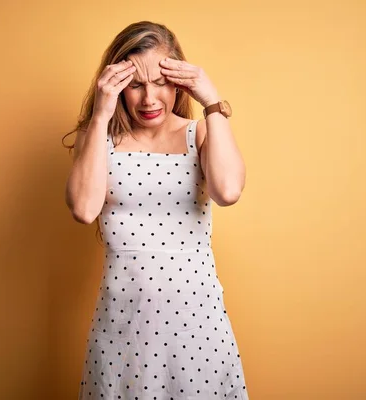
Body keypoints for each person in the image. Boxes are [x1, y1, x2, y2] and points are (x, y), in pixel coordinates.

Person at [64, 20, 248, 399]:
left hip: (197, 324)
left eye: (161, 82)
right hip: (122, 324)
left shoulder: (198, 134)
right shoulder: (101, 138)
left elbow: (228, 191)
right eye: (135, 85)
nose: (149, 99)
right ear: (116, 85)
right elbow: (83, 209)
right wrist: (100, 114)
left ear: (179, 81)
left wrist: (211, 102)